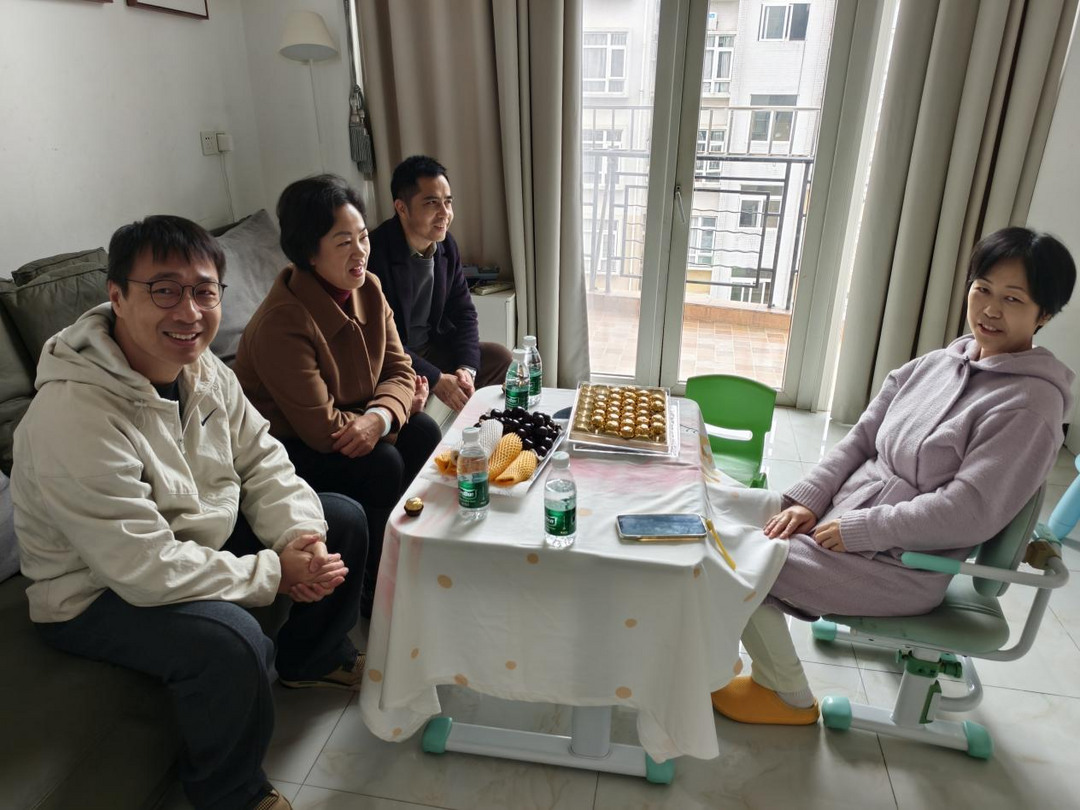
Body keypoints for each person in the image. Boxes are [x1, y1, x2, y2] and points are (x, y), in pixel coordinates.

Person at [11, 215, 370, 810]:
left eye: (204, 291)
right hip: (97, 589)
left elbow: (262, 460)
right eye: (164, 290)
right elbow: (142, 566)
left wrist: (299, 537)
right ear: (117, 296)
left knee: (341, 519)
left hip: (192, 537)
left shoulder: (202, 370)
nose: (189, 311)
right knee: (231, 639)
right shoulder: (72, 415)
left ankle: (313, 658)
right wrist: (274, 573)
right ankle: (230, 793)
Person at [711, 227, 1076, 726]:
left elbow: (967, 512)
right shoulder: (940, 363)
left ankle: (784, 693)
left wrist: (863, 529)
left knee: (732, 559)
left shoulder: (1030, 406)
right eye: (983, 289)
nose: (990, 309)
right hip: (840, 520)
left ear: (1044, 314)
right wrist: (809, 500)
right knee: (707, 511)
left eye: (1013, 299)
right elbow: (862, 438)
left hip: (901, 564)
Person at [233, 175, 442, 618]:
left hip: (356, 420)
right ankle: (374, 580)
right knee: (382, 462)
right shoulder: (282, 322)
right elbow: (323, 429)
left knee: (423, 430)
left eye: (363, 237)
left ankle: (409, 551)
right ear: (309, 253)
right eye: (344, 242)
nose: (360, 251)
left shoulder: (369, 288)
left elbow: (399, 369)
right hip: (287, 447)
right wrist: (392, 412)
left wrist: (382, 417)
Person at [369, 155, 512, 410]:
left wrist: (466, 368)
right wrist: (436, 378)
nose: (445, 213)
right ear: (402, 208)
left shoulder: (446, 246)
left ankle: (480, 427)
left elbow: (464, 313)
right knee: (415, 400)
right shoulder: (374, 255)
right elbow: (379, 341)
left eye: (448, 202)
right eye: (432, 203)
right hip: (393, 360)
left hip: (432, 348)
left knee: (500, 357)